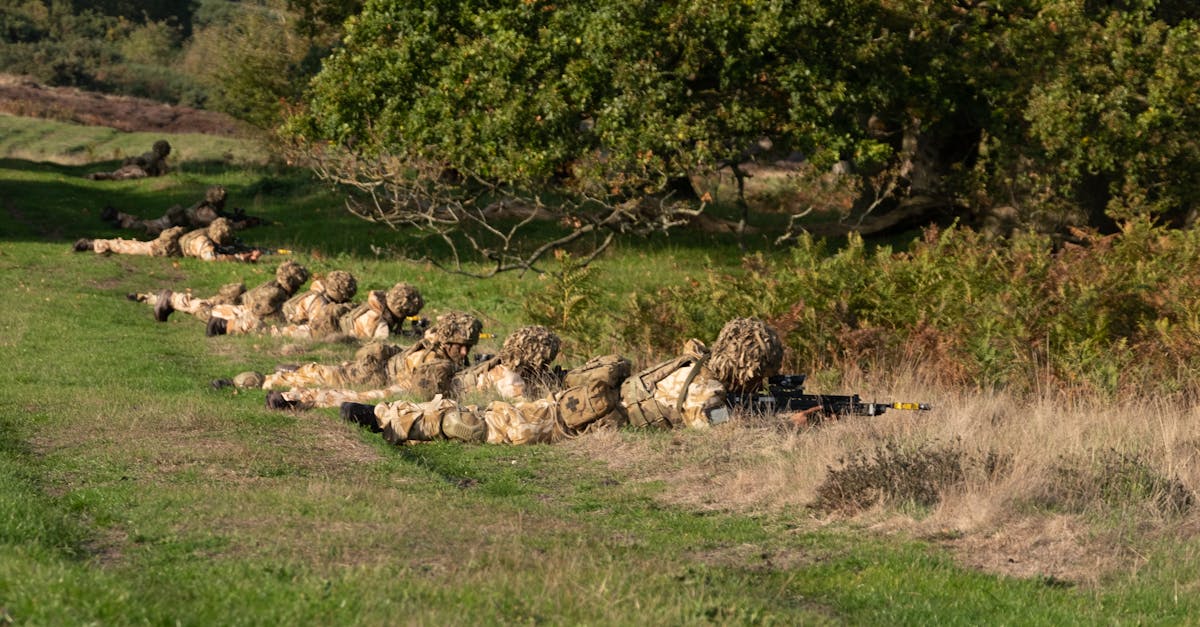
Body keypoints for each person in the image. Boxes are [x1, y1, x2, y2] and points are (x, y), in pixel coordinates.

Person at [337, 353, 630, 445]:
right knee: (473, 421)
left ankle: (382, 418)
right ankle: (382, 418)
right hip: (567, 412)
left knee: (472, 420)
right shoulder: (509, 376)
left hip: (584, 415)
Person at [258, 311, 483, 409]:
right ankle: (271, 385)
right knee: (337, 381)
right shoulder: (429, 359)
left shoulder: (439, 348)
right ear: (446, 343)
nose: (464, 353)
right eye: (459, 347)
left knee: (334, 375)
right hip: (376, 375)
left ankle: (291, 377)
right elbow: (400, 390)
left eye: (468, 348)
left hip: (382, 372)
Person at [128, 260, 310, 323]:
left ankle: (157, 299)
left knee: (199, 303)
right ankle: (170, 299)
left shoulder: (274, 284)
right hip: (235, 306)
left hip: (234, 301)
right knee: (203, 309)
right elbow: (262, 312)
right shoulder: (276, 292)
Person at [204, 270, 362, 337]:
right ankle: (222, 325)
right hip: (281, 318)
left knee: (247, 318)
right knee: (269, 331)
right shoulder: (319, 302)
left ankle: (221, 320)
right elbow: (317, 326)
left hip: (280, 313)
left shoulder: (320, 293)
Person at [73, 217, 262, 262]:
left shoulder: (207, 231)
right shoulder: (203, 243)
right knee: (131, 247)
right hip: (165, 248)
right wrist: (240, 258)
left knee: (133, 245)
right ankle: (95, 245)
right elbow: (211, 258)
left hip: (171, 243)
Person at [100, 185, 260, 235]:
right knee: (149, 227)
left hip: (173, 218)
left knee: (148, 222)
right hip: (173, 223)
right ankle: (120, 222)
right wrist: (245, 223)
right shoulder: (209, 214)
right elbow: (225, 226)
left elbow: (222, 216)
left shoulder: (204, 205)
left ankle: (118, 215)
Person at [85, 139, 171, 180]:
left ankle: (96, 175)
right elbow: (165, 173)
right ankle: (98, 177)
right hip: (141, 171)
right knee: (124, 177)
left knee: (114, 173)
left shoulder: (146, 153)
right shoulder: (160, 161)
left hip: (131, 165)